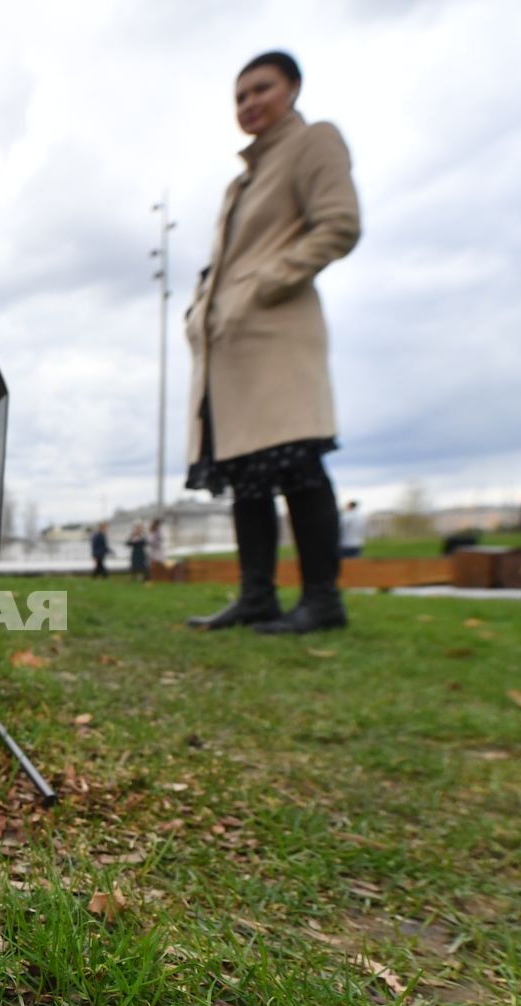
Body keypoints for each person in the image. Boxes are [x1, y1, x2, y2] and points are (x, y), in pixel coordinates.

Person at [184, 50, 361, 635]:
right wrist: (204, 305)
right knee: (247, 476)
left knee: (297, 463)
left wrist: (265, 285)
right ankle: (256, 595)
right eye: (240, 96)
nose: (249, 103)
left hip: (275, 335)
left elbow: (338, 223)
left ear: (292, 88)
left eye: (261, 89)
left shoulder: (314, 143)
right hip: (230, 349)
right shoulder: (241, 182)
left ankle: (322, 599)